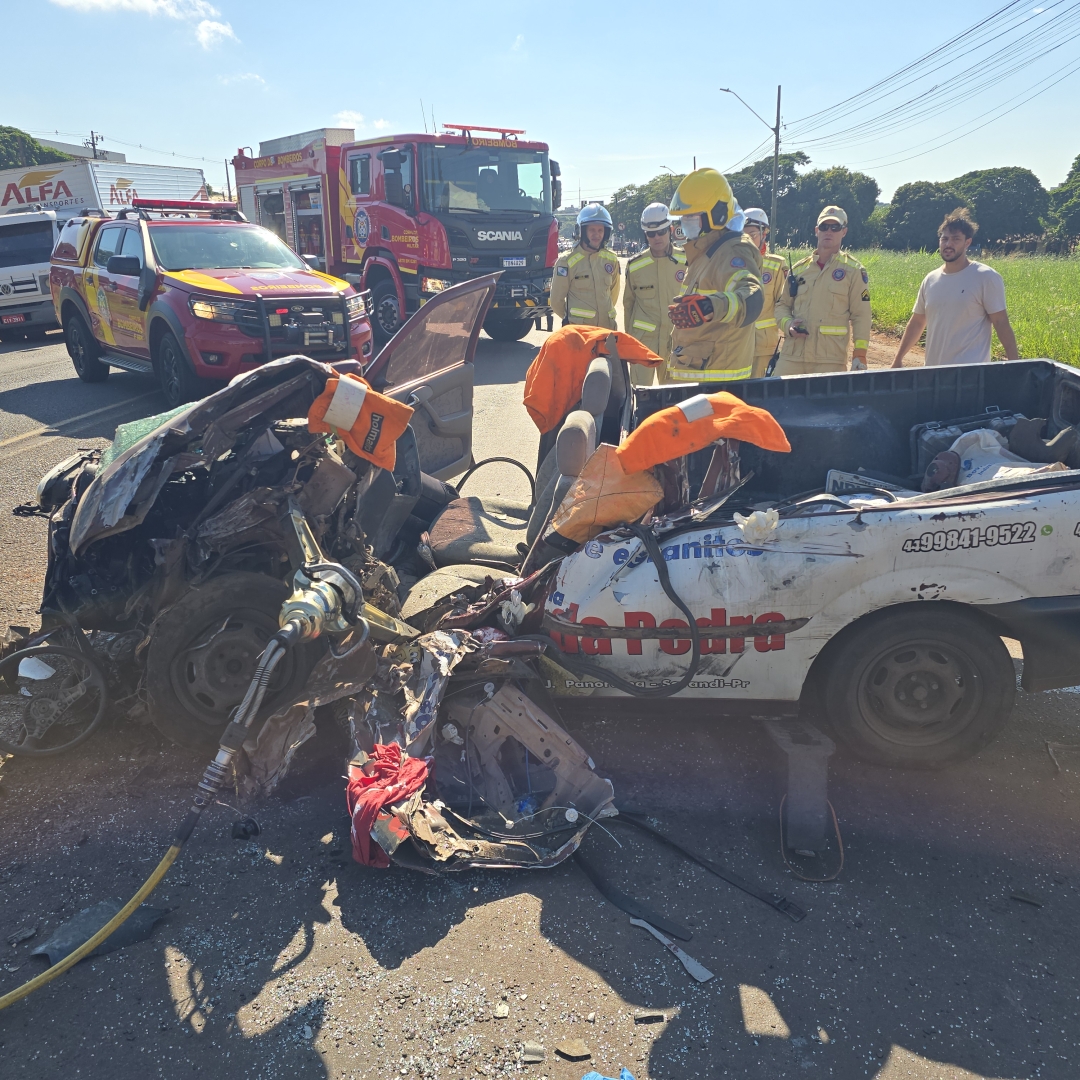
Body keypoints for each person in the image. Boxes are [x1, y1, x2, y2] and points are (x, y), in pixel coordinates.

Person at [664, 168, 763, 383]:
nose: (685, 222)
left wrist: (711, 306)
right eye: (684, 217)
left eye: (691, 216)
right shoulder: (707, 250)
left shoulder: (733, 250)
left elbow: (751, 295)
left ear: (716, 214)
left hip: (715, 382)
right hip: (697, 376)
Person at [892, 208, 1019, 368]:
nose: (948, 244)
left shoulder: (985, 277)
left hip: (970, 376)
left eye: (955, 239)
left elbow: (1001, 322)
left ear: (968, 242)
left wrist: (1015, 365)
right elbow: (917, 321)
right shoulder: (930, 279)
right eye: (944, 239)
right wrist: (898, 359)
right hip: (933, 373)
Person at [773, 206, 871, 376]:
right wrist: (789, 325)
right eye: (825, 227)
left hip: (830, 359)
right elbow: (782, 306)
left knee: (826, 403)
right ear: (817, 231)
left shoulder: (854, 271)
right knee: (775, 399)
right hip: (792, 355)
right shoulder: (799, 270)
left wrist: (860, 354)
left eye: (835, 227)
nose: (829, 231)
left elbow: (861, 315)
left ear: (844, 232)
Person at [622, 202, 687, 383]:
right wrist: (630, 342)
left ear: (670, 229)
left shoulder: (687, 261)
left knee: (673, 396)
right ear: (646, 234)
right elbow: (628, 305)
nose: (657, 237)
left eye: (661, 232)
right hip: (644, 343)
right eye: (651, 234)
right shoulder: (635, 266)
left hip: (677, 342)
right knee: (642, 394)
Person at [548, 204, 621, 329]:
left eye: (600, 230)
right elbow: (556, 301)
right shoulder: (566, 262)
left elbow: (613, 295)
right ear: (581, 231)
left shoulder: (611, 260)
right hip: (580, 333)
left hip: (606, 331)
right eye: (592, 230)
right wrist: (571, 319)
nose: (596, 234)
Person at [743, 207, 787, 377]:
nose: (747, 239)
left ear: (764, 233)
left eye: (752, 234)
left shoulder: (776, 265)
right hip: (736, 346)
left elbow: (783, 305)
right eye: (743, 234)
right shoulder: (730, 264)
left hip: (763, 347)